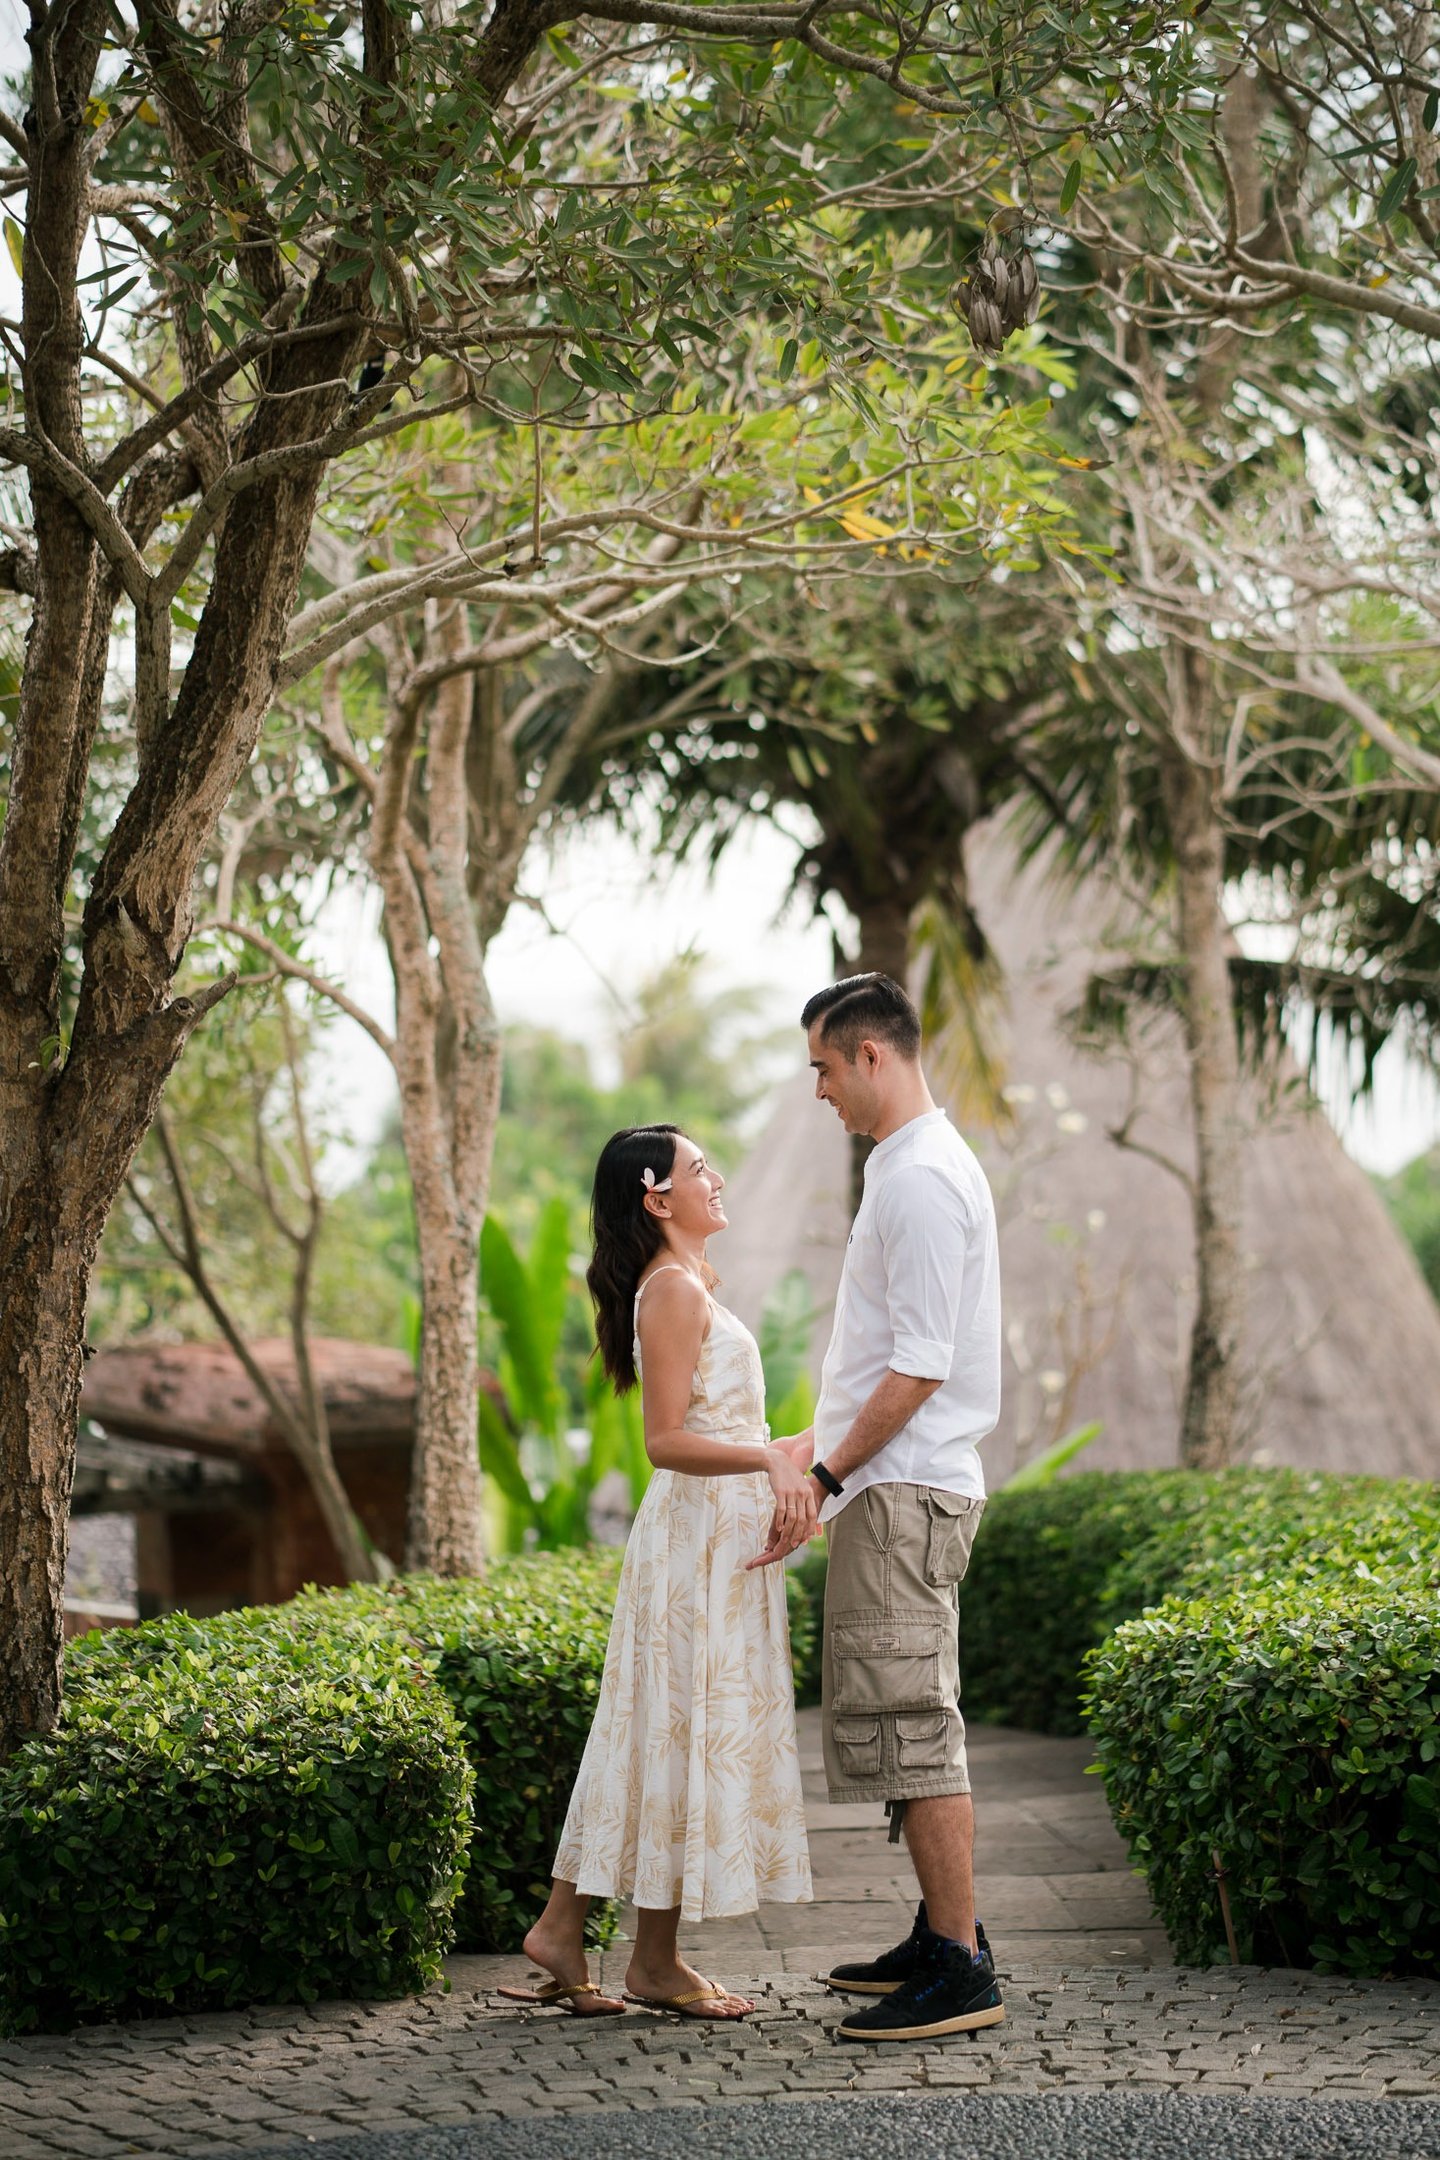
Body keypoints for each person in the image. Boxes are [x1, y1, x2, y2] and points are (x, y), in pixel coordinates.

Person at [500, 1123, 814, 2023]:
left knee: (663, 1733)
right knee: (666, 1731)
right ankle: (644, 1958)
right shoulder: (670, 1291)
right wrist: (766, 1464)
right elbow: (665, 1442)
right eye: (697, 1169)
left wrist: (797, 1451)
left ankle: (597, 1941)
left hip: (710, 1541)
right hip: (692, 1547)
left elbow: (723, 1428)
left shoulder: (684, 1286)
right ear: (655, 1198)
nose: (715, 1179)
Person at [751, 973, 1004, 2042]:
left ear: (870, 1056)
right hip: (889, 1482)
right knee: (899, 1718)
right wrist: (812, 1441)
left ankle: (959, 1968)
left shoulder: (922, 1177)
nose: (816, 1090)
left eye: (821, 1066)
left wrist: (822, 1479)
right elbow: (878, 1365)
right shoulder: (902, 1169)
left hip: (906, 1492)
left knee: (915, 1722)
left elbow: (922, 1366)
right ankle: (942, 1932)